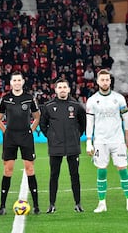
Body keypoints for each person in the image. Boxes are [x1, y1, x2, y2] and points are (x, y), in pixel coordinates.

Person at [86, 69, 128, 213]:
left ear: (110, 81)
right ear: (97, 81)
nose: (105, 82)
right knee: (101, 170)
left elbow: (126, 118)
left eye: (107, 79)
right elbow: (90, 122)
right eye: (102, 80)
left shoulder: (119, 98)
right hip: (100, 141)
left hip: (117, 140)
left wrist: (127, 137)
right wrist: (89, 141)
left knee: (122, 168)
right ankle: (102, 203)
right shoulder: (92, 101)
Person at [0, 71, 41, 215]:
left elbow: (37, 117)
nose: (16, 82)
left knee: (30, 169)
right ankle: (2, 206)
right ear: (11, 83)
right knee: (8, 169)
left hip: (25, 137)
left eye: (18, 80)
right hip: (11, 137)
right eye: (14, 80)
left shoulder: (29, 98)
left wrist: (31, 130)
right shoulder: (5, 98)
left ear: (22, 82)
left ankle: (36, 206)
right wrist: (6, 132)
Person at [39, 78, 86, 213]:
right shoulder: (48, 106)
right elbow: (43, 125)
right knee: (54, 175)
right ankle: (52, 205)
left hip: (72, 146)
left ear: (69, 89)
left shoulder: (76, 105)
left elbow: (83, 123)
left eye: (65, 87)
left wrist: (76, 135)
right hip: (56, 147)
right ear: (55, 90)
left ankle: (78, 204)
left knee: (75, 175)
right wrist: (51, 137)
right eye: (60, 87)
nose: (62, 90)